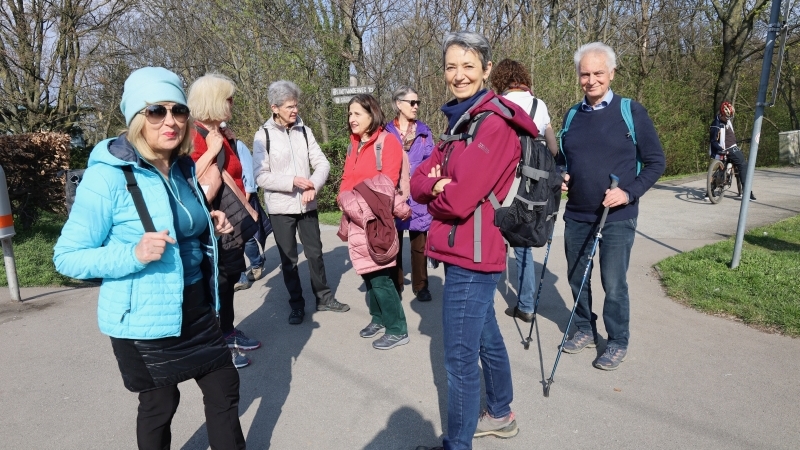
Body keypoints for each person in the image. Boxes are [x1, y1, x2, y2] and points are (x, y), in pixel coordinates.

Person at [53, 67, 246, 449]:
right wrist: (134, 253)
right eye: (156, 111)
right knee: (161, 402)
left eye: (178, 110)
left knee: (224, 386)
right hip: (143, 319)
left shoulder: (183, 166)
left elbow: (175, 216)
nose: (170, 121)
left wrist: (207, 220)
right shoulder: (107, 177)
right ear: (137, 118)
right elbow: (68, 257)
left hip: (196, 307)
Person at [412, 31, 538, 450]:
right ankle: (500, 412)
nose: (458, 75)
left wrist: (440, 189)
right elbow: (415, 183)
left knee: (459, 362)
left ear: (487, 70)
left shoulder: (494, 123)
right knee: (486, 338)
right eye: (451, 66)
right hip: (459, 248)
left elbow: (462, 198)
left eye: (468, 66)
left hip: (473, 253)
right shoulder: (459, 121)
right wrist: (437, 186)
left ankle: (457, 444)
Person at [557, 42, 666, 370]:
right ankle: (585, 329)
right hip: (577, 213)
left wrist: (628, 193)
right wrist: (561, 174)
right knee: (577, 277)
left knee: (613, 282)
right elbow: (563, 158)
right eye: (585, 74)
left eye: (598, 73)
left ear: (612, 73)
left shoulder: (631, 112)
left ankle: (617, 340)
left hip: (617, 216)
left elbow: (655, 162)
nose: (591, 80)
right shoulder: (572, 114)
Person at [253, 80, 348, 325]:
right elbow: (261, 176)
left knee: (315, 253)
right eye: (289, 107)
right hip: (280, 208)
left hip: (307, 206)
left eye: (296, 105)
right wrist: (293, 181)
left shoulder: (305, 131)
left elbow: (323, 164)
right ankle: (296, 305)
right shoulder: (262, 136)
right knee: (289, 260)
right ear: (274, 108)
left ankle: (324, 298)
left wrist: (313, 186)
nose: (295, 110)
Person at [188, 73, 260, 369]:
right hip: (213, 223)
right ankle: (218, 348)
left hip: (232, 220)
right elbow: (187, 177)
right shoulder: (194, 134)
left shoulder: (219, 132)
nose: (232, 103)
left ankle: (228, 332)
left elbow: (233, 174)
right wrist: (214, 150)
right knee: (216, 283)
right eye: (228, 99)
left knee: (229, 279)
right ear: (214, 101)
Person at [338, 93, 410, 350]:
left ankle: (397, 328)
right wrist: (344, 200)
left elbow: (387, 184)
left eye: (357, 113)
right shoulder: (353, 143)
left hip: (376, 217)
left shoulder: (387, 141)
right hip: (355, 216)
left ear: (372, 114)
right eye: (350, 113)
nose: (352, 118)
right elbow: (347, 179)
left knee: (380, 275)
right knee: (367, 274)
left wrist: (355, 202)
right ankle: (378, 318)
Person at [489, 58, 559, 323]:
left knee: (493, 237)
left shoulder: (497, 105)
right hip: (530, 182)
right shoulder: (538, 104)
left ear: (499, 81)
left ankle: (484, 302)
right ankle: (526, 305)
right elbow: (552, 147)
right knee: (522, 243)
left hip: (502, 179)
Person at [384, 86, 435, 302]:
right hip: (394, 195)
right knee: (394, 243)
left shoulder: (424, 132)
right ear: (398, 104)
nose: (416, 107)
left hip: (419, 195)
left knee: (419, 244)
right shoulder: (385, 133)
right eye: (412, 102)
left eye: (418, 103)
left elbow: (433, 162)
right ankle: (396, 284)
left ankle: (421, 285)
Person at [225, 126, 270, 292]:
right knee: (230, 238)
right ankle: (241, 276)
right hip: (226, 199)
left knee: (244, 235)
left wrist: (247, 198)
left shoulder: (238, 146)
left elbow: (249, 173)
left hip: (243, 196)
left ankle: (256, 262)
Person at [709, 101, 756, 201]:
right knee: (743, 164)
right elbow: (713, 142)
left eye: (730, 117)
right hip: (727, 148)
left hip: (730, 146)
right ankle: (747, 192)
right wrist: (722, 150)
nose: (728, 119)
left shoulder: (725, 119)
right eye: (727, 117)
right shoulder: (715, 125)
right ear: (721, 114)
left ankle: (709, 191)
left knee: (723, 169)